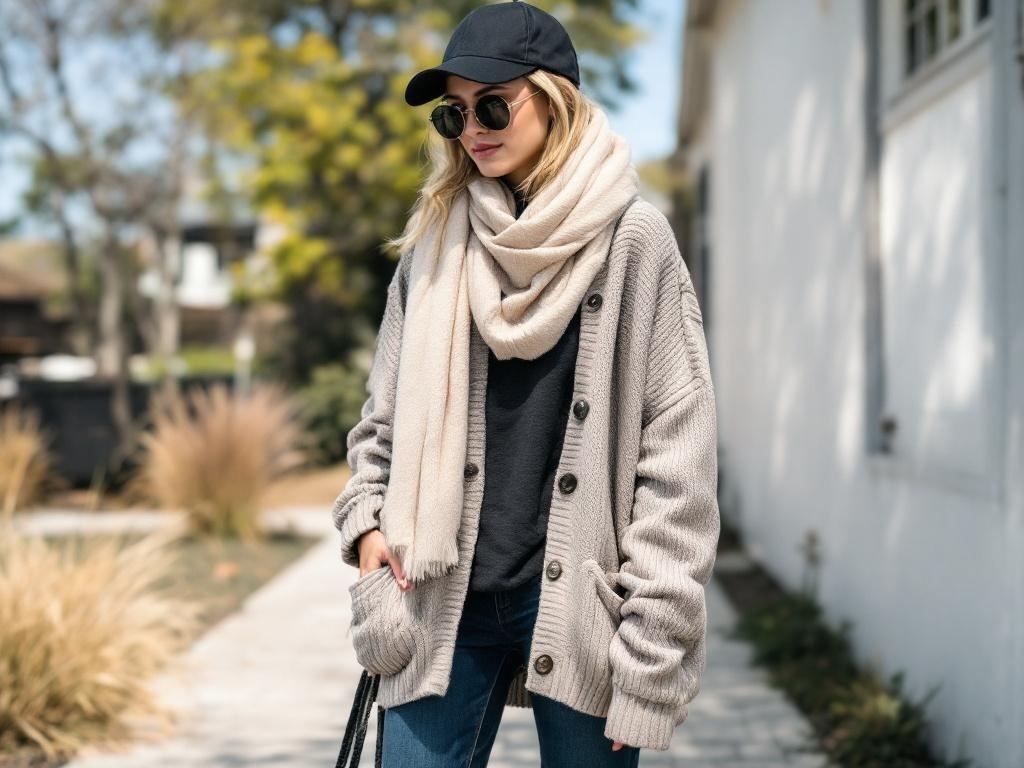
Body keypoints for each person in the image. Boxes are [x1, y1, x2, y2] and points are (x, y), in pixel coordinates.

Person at [331, 1, 721, 766]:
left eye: (493, 104)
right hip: (438, 593)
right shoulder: (435, 243)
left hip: (582, 602)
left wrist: (653, 652)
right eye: (454, 114)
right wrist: (367, 523)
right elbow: (381, 421)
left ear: (554, 100)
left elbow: (678, 456)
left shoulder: (633, 240)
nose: (472, 128)